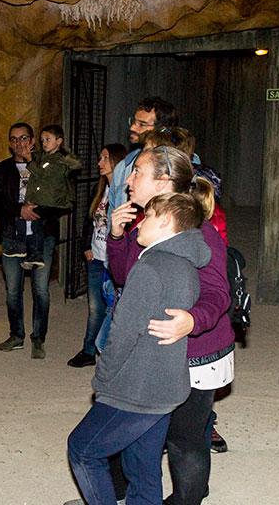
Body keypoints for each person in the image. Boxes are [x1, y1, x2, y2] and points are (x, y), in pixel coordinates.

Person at [107, 146, 234, 505]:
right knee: (130, 422)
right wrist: (117, 237)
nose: (128, 180)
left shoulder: (200, 230)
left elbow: (218, 293)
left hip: (194, 352)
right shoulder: (142, 221)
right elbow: (124, 277)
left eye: (137, 173)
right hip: (153, 349)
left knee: (185, 440)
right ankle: (115, 492)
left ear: (163, 181)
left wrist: (193, 320)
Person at [68, 192, 210, 505]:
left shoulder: (151, 268)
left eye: (148, 216)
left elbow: (122, 333)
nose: (140, 223)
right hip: (166, 387)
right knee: (143, 467)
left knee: (82, 449)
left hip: (135, 389)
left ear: (167, 222)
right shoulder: (187, 265)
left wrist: (102, 380)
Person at [0, 122, 55, 360]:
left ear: (33, 140)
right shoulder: (1, 170)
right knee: (13, 291)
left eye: (24, 138)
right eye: (14, 139)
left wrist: (36, 210)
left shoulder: (48, 166)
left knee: (41, 290)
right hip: (12, 235)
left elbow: (59, 200)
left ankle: (38, 338)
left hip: (42, 235)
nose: (19, 143)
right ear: (9, 143)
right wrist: (19, 210)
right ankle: (16, 335)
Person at [67, 143, 127, 368]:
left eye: (104, 158)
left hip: (114, 261)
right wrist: (86, 245)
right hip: (96, 256)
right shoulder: (99, 188)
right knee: (95, 308)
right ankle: (89, 350)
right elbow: (88, 220)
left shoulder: (124, 192)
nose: (99, 163)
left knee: (115, 308)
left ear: (117, 162)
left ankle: (113, 354)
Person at [20, 124, 82, 269]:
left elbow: (43, 176)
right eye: (42, 140)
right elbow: (33, 156)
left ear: (59, 141)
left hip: (53, 202)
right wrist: (28, 150)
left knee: (38, 222)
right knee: (38, 225)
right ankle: (36, 254)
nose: (44, 143)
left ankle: (37, 254)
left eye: (48, 139)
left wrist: (29, 160)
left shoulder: (60, 160)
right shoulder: (43, 156)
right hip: (43, 200)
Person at [107, 97, 180, 214]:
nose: (132, 128)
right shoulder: (123, 167)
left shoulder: (182, 165)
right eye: (133, 122)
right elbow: (112, 212)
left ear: (162, 129)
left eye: (142, 124)